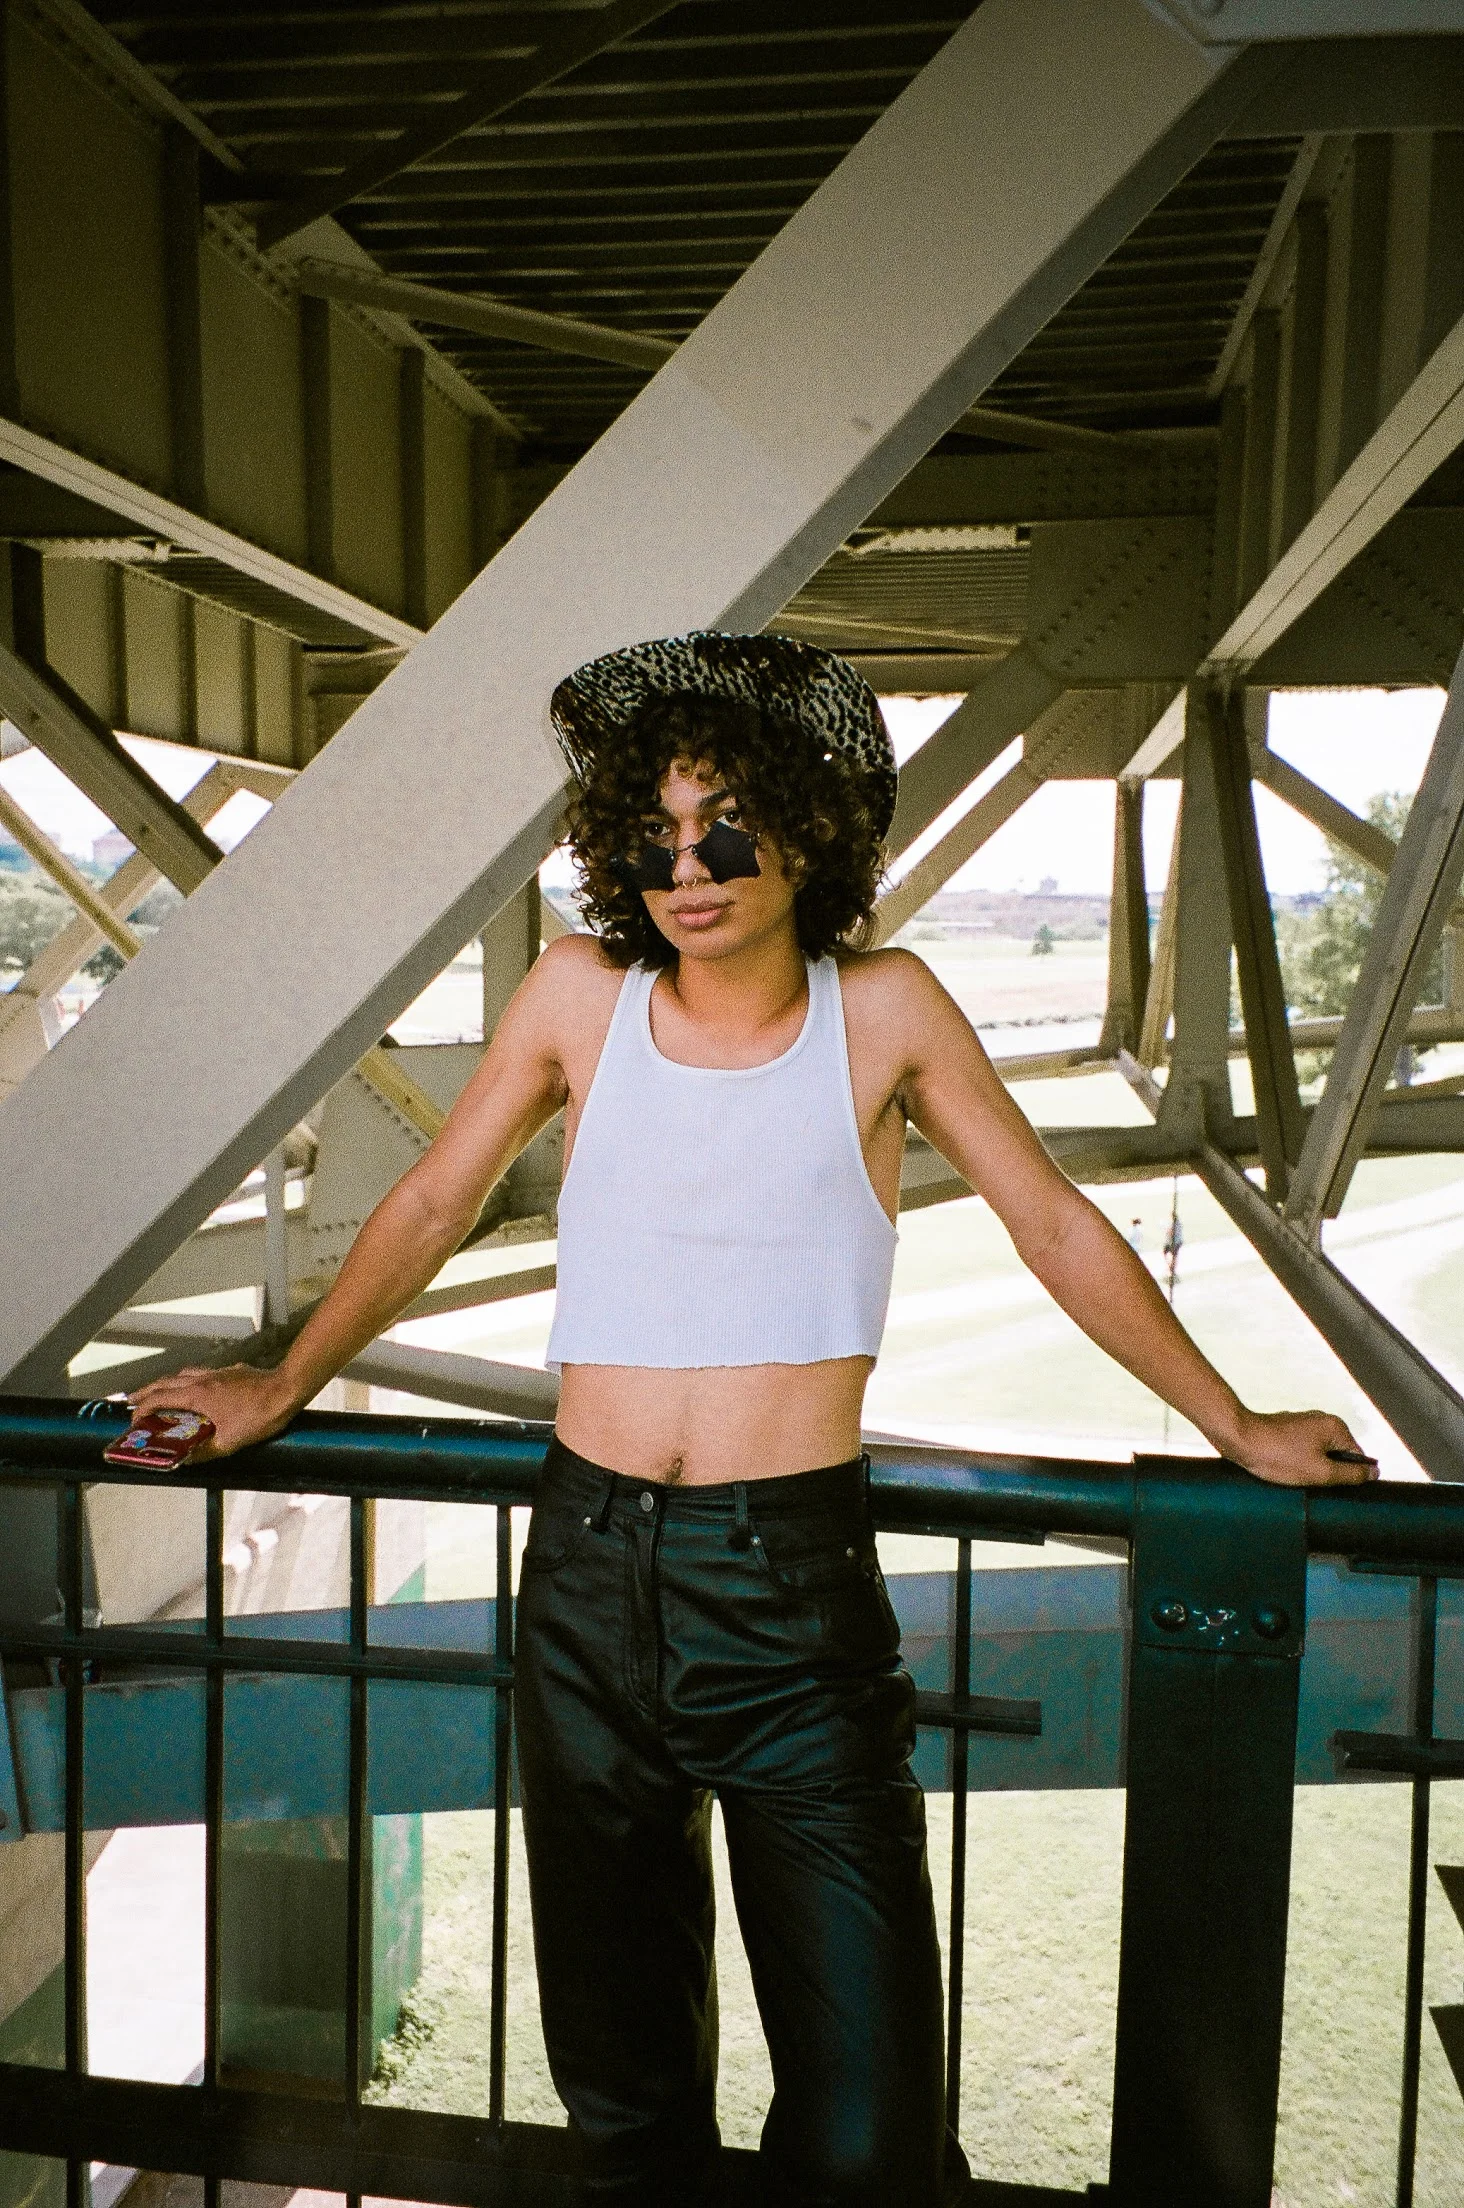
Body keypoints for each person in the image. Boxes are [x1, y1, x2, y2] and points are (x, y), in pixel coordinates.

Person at [128, 632, 1375, 2207]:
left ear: (806, 832)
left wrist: (1235, 1423)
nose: (687, 870)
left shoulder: (887, 1011)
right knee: (625, 2096)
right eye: (653, 836)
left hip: (791, 1600)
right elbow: (436, 1199)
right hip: (585, 1583)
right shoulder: (579, 996)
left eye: (723, 828)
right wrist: (282, 1381)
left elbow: (1054, 1225)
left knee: (866, 2132)